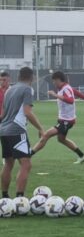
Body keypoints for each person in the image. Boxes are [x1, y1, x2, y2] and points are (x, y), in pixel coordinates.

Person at [30, 71, 84, 163]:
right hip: (65, 120)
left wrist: (56, 95)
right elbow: (74, 91)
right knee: (61, 139)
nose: (53, 83)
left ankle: (29, 155)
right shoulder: (65, 88)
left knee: (46, 135)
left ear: (58, 79)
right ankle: (82, 155)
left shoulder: (65, 89)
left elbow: (71, 100)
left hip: (66, 121)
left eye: (54, 81)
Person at [0, 67, 45, 198]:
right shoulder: (27, 89)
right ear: (31, 77)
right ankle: (20, 199)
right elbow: (27, 112)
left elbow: (3, 114)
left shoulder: (9, 90)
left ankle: (5, 197)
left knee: (8, 163)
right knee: (26, 163)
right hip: (17, 130)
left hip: (3, 130)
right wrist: (41, 129)